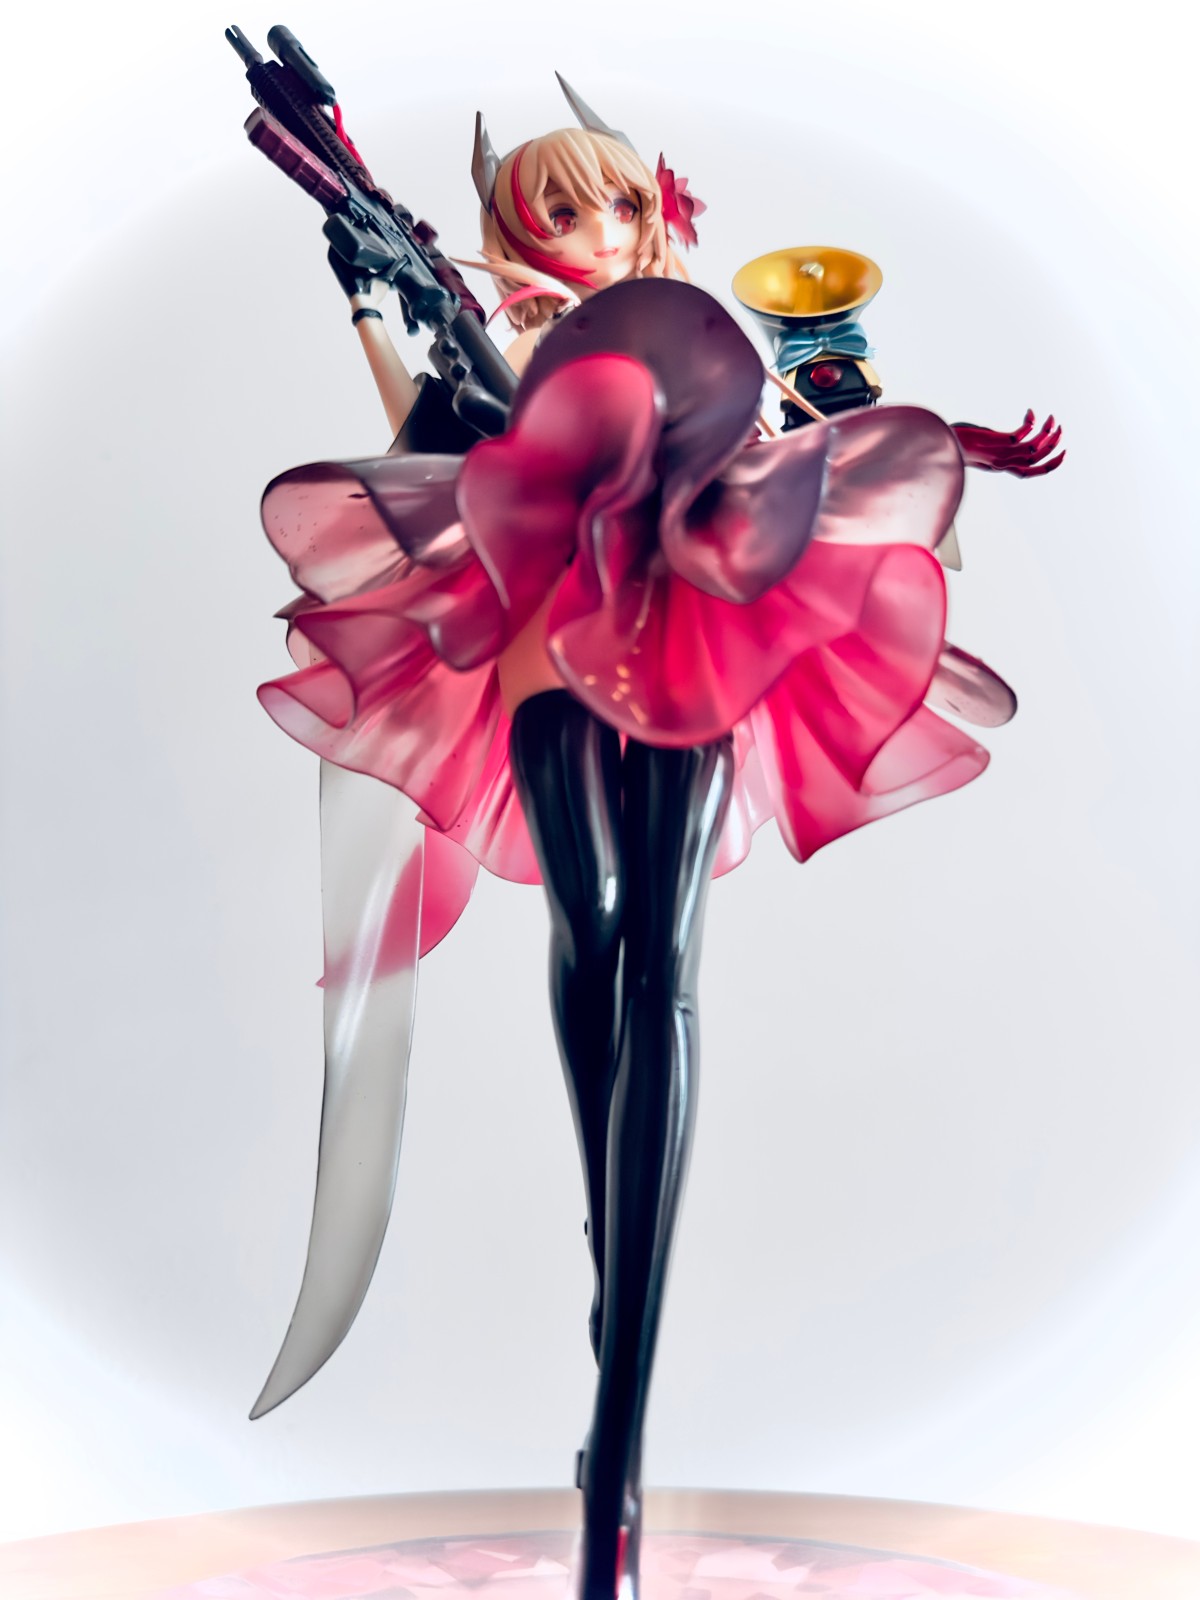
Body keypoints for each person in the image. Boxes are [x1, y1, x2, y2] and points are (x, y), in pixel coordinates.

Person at [254, 85, 1059, 1600]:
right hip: (552, 626)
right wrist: (373, 298)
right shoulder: (506, 340)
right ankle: (617, 1255)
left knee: (660, 963)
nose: (589, 229)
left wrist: (946, 444)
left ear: (652, 213)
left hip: (695, 624)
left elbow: (824, 457)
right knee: (595, 925)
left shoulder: (709, 341)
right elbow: (433, 439)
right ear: (512, 230)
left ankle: (613, 1439)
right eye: (552, 211)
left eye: (611, 203)